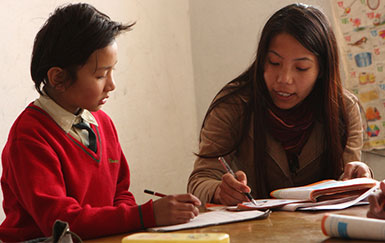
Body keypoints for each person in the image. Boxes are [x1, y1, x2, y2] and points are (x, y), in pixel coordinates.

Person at [0, 3, 200, 242]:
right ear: (58, 78)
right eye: (100, 75)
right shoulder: (30, 136)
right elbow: (60, 223)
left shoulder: (102, 123)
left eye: (112, 71)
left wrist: (137, 219)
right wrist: (146, 215)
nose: (111, 85)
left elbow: (121, 194)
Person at [187, 3, 373, 206]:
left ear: (321, 70)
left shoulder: (343, 109)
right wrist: (218, 191)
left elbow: (348, 183)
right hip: (254, 232)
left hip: (321, 231)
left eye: (301, 68)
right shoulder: (234, 105)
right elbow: (201, 179)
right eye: (274, 63)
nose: (284, 78)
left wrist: (359, 176)